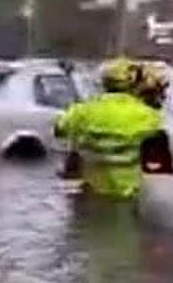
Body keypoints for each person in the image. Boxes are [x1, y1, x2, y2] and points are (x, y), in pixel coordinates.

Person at [55, 58, 164, 200]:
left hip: (92, 198)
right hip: (131, 196)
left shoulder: (81, 112)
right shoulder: (150, 117)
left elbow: (58, 131)